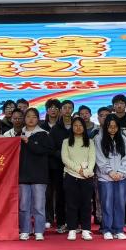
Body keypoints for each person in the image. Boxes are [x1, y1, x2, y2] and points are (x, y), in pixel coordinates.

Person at [18, 108, 53, 241]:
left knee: (39, 206)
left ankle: (39, 230)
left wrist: (28, 141)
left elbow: (45, 151)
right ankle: (25, 230)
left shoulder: (44, 134)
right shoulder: (18, 135)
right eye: (28, 116)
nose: (31, 119)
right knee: (23, 206)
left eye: (34, 117)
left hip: (39, 175)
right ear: (24, 119)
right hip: (23, 176)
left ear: (38, 119)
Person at [95, 114, 126, 240]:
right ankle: (107, 229)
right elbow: (100, 158)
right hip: (105, 178)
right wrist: (110, 172)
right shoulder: (98, 139)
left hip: (121, 177)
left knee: (120, 204)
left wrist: (120, 173)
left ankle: (119, 229)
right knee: (107, 204)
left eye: (115, 126)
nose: (113, 129)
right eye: (110, 126)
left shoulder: (123, 139)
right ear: (106, 126)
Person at [61, 116, 95, 240]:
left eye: (80, 125)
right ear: (72, 127)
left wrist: (87, 171)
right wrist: (78, 170)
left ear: (84, 127)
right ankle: (72, 229)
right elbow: (65, 159)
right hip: (71, 175)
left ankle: (86, 229)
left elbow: (92, 159)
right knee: (71, 204)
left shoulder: (90, 142)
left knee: (86, 204)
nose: (78, 127)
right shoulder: (66, 141)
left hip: (87, 176)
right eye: (75, 125)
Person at [47, 99, 75, 233]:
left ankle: (74, 223)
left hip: (75, 167)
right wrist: (64, 157)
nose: (67, 110)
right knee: (60, 196)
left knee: (74, 196)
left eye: (70, 107)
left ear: (73, 110)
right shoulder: (55, 129)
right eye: (65, 107)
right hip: (59, 167)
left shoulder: (77, 126)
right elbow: (51, 149)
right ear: (61, 110)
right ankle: (61, 223)